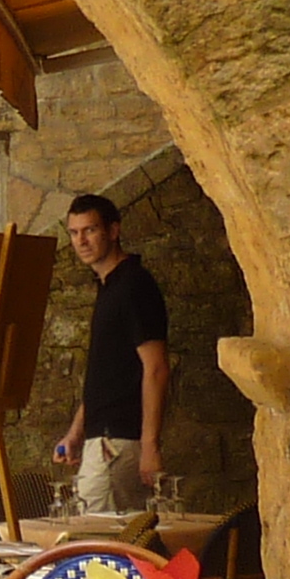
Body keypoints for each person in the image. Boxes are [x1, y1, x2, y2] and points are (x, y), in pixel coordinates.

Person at [51, 191, 170, 514]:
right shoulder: (108, 287)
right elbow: (105, 374)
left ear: (113, 231)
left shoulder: (133, 285)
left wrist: (149, 445)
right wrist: (77, 432)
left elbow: (156, 367)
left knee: (96, 543)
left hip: (118, 441)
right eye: (74, 233)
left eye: (90, 230)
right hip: (101, 438)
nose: (81, 241)